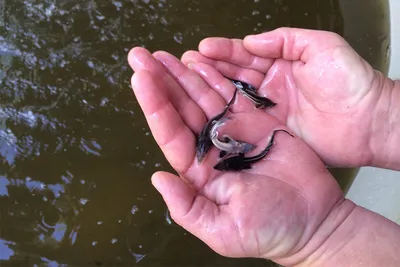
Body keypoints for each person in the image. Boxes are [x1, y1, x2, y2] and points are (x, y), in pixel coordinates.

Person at [127, 27, 400, 266]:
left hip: (236, 136)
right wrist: (381, 112)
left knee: (254, 140)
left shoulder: (233, 144)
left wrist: (319, 240)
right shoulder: (229, 145)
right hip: (234, 138)